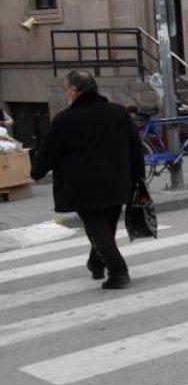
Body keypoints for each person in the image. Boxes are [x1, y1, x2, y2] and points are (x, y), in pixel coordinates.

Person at [30, 71, 145, 290]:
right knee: (105, 226)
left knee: (97, 227)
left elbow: (49, 150)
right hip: (117, 182)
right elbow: (135, 147)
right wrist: (138, 176)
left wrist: (36, 172)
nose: (66, 94)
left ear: (75, 90)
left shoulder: (65, 119)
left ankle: (119, 272)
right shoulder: (118, 112)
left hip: (83, 186)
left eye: (66, 89)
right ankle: (96, 263)